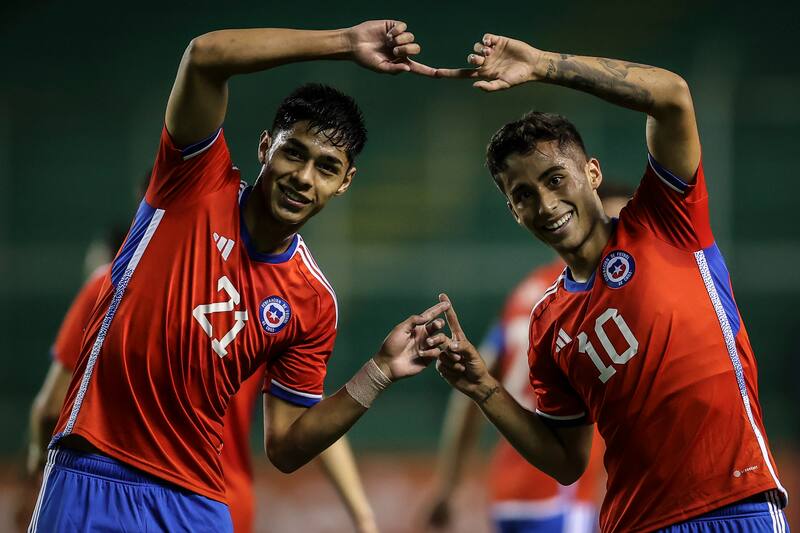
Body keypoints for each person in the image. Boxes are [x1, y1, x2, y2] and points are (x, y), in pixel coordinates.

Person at [29, 20, 449, 532]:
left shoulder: (313, 301)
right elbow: (205, 55)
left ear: (344, 183)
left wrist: (377, 373)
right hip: (93, 467)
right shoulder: (195, 180)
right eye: (293, 152)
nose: (303, 177)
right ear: (265, 146)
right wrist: (343, 43)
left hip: (196, 502)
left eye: (326, 167)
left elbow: (287, 447)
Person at [431, 33, 789, 532]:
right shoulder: (547, 323)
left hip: (735, 503)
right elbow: (565, 460)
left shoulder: (665, 219)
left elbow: (671, 96)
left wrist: (543, 64)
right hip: (634, 522)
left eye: (556, 179)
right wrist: (481, 387)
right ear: (514, 212)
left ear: (592, 172)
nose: (546, 204)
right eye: (523, 195)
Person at [26, 242, 379, 533]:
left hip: (114, 483)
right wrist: (361, 512)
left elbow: (51, 408)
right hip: (219, 500)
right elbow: (305, 415)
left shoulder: (112, 280)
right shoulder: (260, 302)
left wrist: (41, 468)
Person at [425, 188, 628, 533]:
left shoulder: (527, 293)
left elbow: (471, 390)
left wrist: (448, 484)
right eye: (616, 226)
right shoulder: (596, 297)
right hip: (560, 494)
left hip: (509, 493)